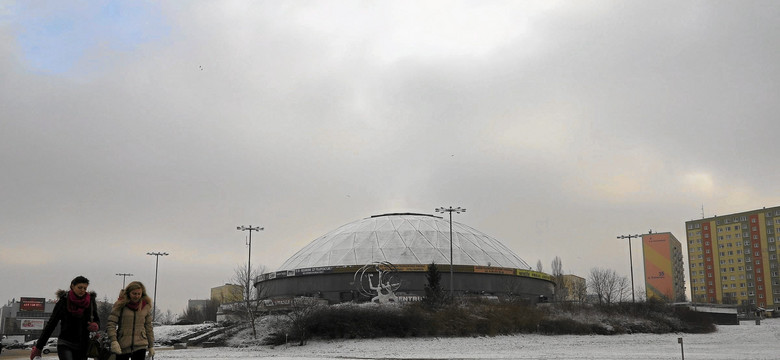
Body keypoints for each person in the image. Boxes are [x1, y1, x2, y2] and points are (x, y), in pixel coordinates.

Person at [30, 276, 99, 360]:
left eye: (85, 288)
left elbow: (96, 320)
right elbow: (51, 324)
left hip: (83, 345)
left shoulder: (90, 302)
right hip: (65, 343)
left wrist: (95, 325)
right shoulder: (63, 301)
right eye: (80, 287)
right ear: (72, 286)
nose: (82, 290)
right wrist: (39, 347)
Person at [107, 281, 154, 360]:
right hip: (122, 344)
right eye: (134, 293)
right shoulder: (120, 305)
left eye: (139, 294)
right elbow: (111, 324)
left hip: (140, 344)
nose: (136, 296)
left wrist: (151, 345)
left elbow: (148, 327)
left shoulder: (146, 307)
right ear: (129, 293)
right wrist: (113, 341)